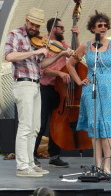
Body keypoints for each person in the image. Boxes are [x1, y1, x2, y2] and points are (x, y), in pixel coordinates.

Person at [4, 7, 73, 177]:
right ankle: (22, 167)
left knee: (35, 128)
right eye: (32, 24)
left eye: (37, 26)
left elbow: (41, 65)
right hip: (23, 83)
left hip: (35, 84)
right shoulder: (15, 34)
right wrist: (34, 51)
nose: (34, 28)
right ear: (26, 20)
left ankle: (30, 163)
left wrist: (59, 55)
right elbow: (9, 56)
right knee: (26, 126)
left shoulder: (38, 39)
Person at [67, 11, 111, 174]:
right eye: (99, 25)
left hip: (110, 89)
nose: (103, 28)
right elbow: (70, 64)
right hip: (91, 89)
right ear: (93, 29)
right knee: (96, 129)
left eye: (105, 25)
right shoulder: (85, 45)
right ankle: (97, 165)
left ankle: (107, 166)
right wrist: (78, 80)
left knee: (107, 128)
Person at [33, 17, 80, 168]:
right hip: (46, 88)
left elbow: (77, 55)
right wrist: (59, 74)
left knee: (57, 123)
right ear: (53, 29)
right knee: (41, 123)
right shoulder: (43, 45)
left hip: (60, 89)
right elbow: (42, 68)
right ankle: (31, 155)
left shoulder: (62, 44)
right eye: (61, 28)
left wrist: (76, 37)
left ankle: (55, 155)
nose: (63, 30)